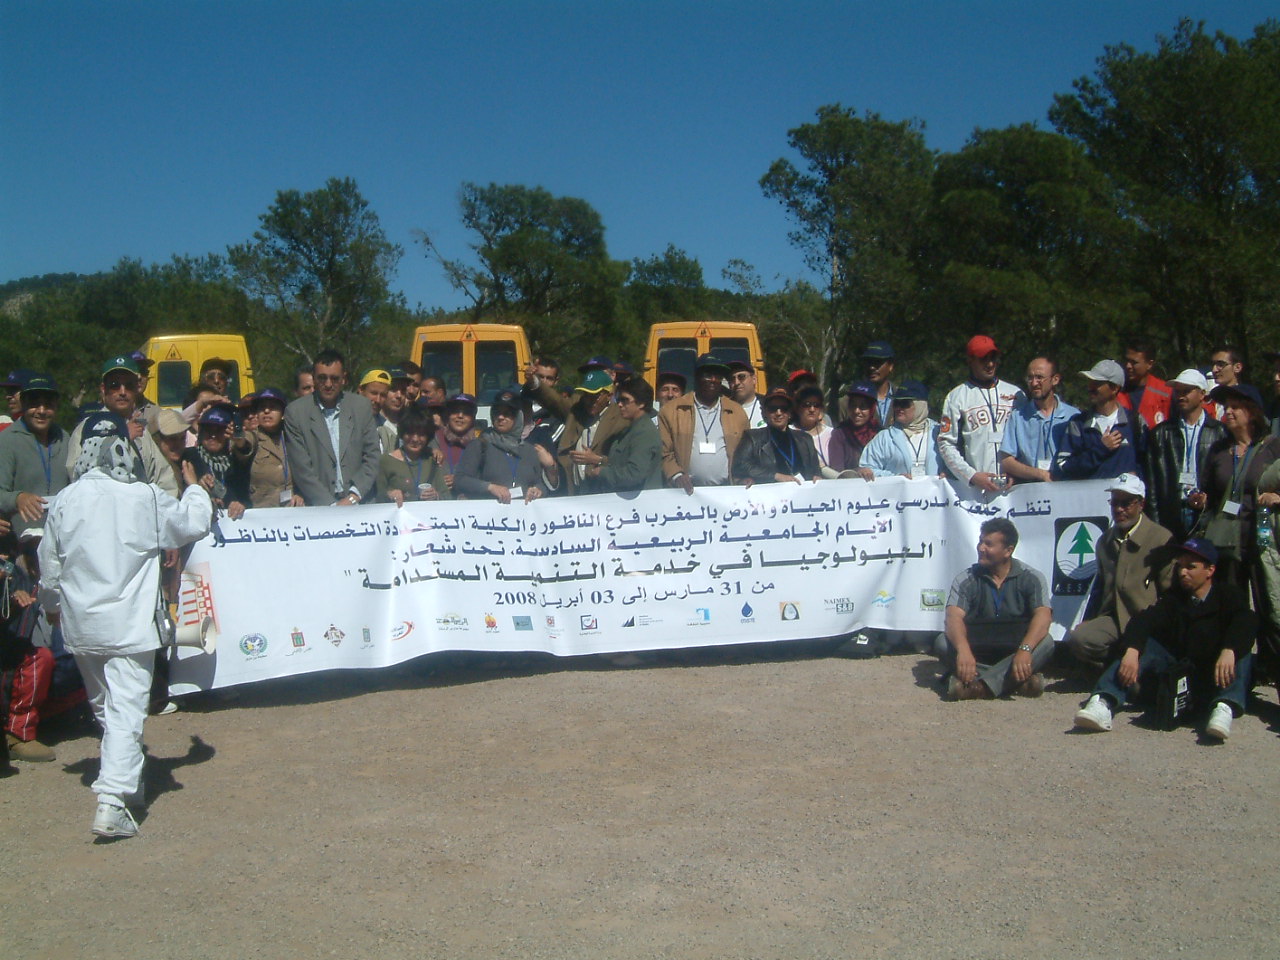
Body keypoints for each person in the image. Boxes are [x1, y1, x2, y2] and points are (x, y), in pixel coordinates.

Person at [38, 425, 212, 838]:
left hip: (81, 626)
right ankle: (113, 800)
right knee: (126, 711)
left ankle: (127, 785)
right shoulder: (144, 496)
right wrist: (194, 488)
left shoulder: (66, 499)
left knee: (106, 707)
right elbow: (193, 524)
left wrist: (51, 608)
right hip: (129, 628)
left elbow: (50, 563)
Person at [1073, 538, 1256, 740]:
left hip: (1215, 673)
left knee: (1241, 651)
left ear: (1210, 571)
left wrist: (1229, 649)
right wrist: (1133, 650)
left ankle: (1225, 707)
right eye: (1180, 566)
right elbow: (1144, 620)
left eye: (1191, 567)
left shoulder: (1228, 595)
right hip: (1182, 673)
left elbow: (1245, 622)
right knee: (1144, 646)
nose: (1182, 572)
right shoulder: (1174, 599)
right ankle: (1104, 700)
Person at [1064, 474, 1177, 671]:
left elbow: (1170, 592)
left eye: (1126, 503)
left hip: (1147, 620)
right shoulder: (1104, 542)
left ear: (1141, 504)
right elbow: (1099, 590)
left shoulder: (1161, 538)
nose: (1119, 509)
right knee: (1080, 638)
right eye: (1114, 502)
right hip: (1114, 619)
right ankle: (1117, 666)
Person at [935, 518, 1054, 700]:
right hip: (977, 650)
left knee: (1047, 642)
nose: (981, 548)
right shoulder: (966, 579)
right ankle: (1016, 683)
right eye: (981, 542)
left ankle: (977, 688)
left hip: (1014, 650)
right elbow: (953, 617)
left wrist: (1025, 650)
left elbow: (1043, 615)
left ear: (1008, 551)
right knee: (942, 642)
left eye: (988, 544)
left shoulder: (1031, 578)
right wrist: (963, 650)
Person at [1187, 383, 1280, 594]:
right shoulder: (1219, 450)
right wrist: (1200, 501)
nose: (1227, 412)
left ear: (1252, 411)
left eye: (1235, 407)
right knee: (1231, 604)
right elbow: (1208, 492)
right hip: (1226, 542)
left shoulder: (1273, 447)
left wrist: (1277, 496)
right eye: (1226, 407)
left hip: (1263, 540)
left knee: (1268, 601)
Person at [65, 356, 176, 496]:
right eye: (114, 385)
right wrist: (121, 437)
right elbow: (77, 476)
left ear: (137, 389)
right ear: (103, 389)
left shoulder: (142, 431)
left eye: (129, 386)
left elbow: (164, 480)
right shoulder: (86, 428)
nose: (122, 392)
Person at [283, 350, 381, 506]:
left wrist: (353, 497)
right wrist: (331, 506)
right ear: (314, 379)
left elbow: (372, 455)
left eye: (334, 378)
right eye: (322, 378)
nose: (328, 384)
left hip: (360, 501)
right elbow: (302, 469)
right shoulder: (295, 412)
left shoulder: (361, 407)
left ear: (344, 379)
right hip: (319, 506)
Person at [1142, 369, 1227, 540]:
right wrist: (1155, 524)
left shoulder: (1219, 432)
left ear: (1202, 394)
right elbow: (1152, 483)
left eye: (1186, 391)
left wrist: (1209, 503)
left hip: (1205, 512)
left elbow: (1225, 479)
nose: (1180, 396)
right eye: (1178, 391)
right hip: (1172, 511)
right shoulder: (1161, 433)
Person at [937, 335, 1024, 494]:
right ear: (970, 360)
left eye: (993, 358)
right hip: (978, 487)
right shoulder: (956, 396)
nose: (990, 364)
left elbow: (1027, 439)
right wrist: (971, 475)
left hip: (1014, 485)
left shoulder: (1016, 394)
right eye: (983, 359)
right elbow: (945, 443)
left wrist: (1019, 472)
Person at [526, 366, 626, 496]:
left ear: (609, 395)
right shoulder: (578, 408)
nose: (589, 400)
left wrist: (598, 460)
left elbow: (627, 461)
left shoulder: (621, 418)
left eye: (595, 396)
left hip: (604, 493)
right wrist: (534, 382)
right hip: (574, 492)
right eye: (586, 394)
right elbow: (555, 401)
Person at [659, 354, 749, 494]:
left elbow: (746, 454)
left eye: (718, 376)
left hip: (727, 492)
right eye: (708, 375)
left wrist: (742, 477)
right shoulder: (672, 411)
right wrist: (676, 475)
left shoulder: (737, 412)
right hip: (686, 493)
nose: (713, 380)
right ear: (697, 377)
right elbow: (664, 452)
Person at [0, 374, 69, 539]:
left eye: (48, 404)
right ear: (23, 405)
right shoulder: (7, 440)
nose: (41, 411)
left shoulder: (65, 438)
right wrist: (18, 498)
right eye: (34, 404)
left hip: (62, 538)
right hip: (21, 541)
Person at [453, 390, 555, 503]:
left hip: (522, 516)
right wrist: (490, 487)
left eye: (507, 413)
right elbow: (460, 480)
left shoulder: (529, 450)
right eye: (497, 412)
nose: (501, 417)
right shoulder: (480, 445)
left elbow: (540, 483)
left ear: (518, 417)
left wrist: (538, 490)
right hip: (489, 516)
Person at [1052, 360, 1140, 480]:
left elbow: (1145, 462)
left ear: (1114, 388)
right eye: (1090, 382)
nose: (1090, 387)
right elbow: (1064, 466)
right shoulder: (1078, 423)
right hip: (1090, 497)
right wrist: (1101, 449)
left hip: (1126, 498)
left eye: (1097, 383)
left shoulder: (1135, 421)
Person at [998, 356, 1079, 484]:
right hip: (1031, 492)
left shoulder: (1073, 416)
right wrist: (1040, 474)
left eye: (1039, 377)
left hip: (1065, 489)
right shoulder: (1018, 416)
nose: (1034, 383)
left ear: (1055, 379)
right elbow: (1006, 461)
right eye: (1030, 378)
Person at [584, 377, 663, 493]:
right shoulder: (631, 429)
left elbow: (634, 474)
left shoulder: (644, 432)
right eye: (618, 400)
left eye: (625, 400)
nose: (619, 404)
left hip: (639, 504)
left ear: (641, 403)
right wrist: (601, 461)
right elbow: (620, 462)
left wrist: (602, 472)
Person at [733, 388, 821, 485]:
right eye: (773, 408)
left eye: (784, 408)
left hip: (801, 495)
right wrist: (775, 476)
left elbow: (816, 470)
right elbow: (740, 465)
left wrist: (817, 477)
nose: (778, 413)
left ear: (790, 413)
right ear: (765, 412)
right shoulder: (752, 438)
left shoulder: (805, 439)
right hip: (771, 495)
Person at [229, 388, 300, 509]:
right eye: (262, 408)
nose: (266, 411)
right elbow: (245, 446)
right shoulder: (253, 436)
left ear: (283, 413)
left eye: (272, 407)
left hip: (292, 512)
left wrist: (299, 495)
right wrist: (240, 442)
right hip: (262, 513)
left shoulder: (292, 436)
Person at [860, 381, 941, 479]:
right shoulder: (884, 437)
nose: (899, 408)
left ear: (920, 405)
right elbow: (866, 469)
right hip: (898, 493)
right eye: (896, 403)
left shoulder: (939, 433)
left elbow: (955, 463)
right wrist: (896, 478)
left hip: (934, 493)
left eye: (904, 404)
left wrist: (948, 474)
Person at [182, 407, 250, 518]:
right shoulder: (189, 457)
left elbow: (244, 495)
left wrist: (239, 504)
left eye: (219, 431)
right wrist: (198, 486)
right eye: (208, 430)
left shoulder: (235, 460)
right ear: (201, 432)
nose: (213, 436)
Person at [376, 406, 451, 505]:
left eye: (421, 434)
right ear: (402, 433)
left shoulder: (432, 459)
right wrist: (389, 495)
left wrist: (436, 496)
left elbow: (447, 497)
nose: (415, 439)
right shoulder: (386, 461)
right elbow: (377, 496)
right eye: (410, 433)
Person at [826, 382, 879, 479]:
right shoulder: (839, 434)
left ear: (872, 408)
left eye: (863, 407)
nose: (856, 411)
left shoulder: (881, 434)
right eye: (853, 405)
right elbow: (837, 471)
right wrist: (857, 471)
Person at [431, 393, 481, 491]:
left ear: (473, 418)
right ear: (448, 415)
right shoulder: (434, 438)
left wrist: (460, 481)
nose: (460, 416)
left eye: (466, 412)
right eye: (455, 411)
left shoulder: (480, 444)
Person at [1118, 338, 1171, 428]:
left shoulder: (1166, 393)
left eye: (1134, 362)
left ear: (1149, 364)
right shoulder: (1116, 391)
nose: (1128, 366)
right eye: (1127, 361)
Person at [793, 385, 833, 470]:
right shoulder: (788, 433)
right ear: (797, 408)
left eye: (816, 405)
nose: (812, 409)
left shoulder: (832, 434)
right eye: (807, 405)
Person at [862, 341, 896, 428]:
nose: (872, 367)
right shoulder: (848, 402)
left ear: (890, 366)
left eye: (877, 362)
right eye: (868, 362)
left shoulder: (903, 398)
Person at [727, 361, 766, 429]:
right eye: (732, 379)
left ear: (754, 379)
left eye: (741, 377)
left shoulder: (767, 405)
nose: (736, 382)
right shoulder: (724, 408)